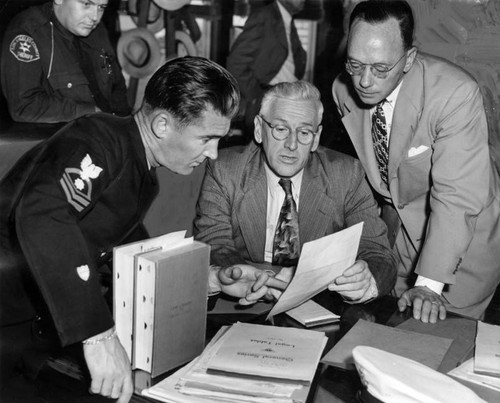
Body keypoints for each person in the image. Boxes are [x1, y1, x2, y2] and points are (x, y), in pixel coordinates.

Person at [0, 56, 283, 402]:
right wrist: (98, 335)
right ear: (162, 125)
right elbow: (43, 215)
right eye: (206, 138)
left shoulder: (140, 171)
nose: (212, 154)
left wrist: (210, 280)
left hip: (33, 330)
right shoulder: (99, 138)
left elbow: (132, 257)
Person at [332, 0, 500, 323]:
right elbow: (382, 179)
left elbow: (457, 197)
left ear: (409, 59)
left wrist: (428, 283)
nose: (364, 81)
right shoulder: (342, 89)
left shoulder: (455, 94)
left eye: (381, 69)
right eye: (355, 65)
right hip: (401, 243)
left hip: (460, 251)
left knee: (439, 349)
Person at [194, 80, 397, 306]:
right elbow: (214, 244)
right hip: (244, 302)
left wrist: (366, 280)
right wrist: (247, 275)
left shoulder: (347, 175)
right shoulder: (225, 170)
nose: (292, 144)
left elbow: (379, 253)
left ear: (316, 138)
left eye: (304, 132)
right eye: (281, 129)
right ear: (260, 130)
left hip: (321, 303)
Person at [0, 0, 131, 124]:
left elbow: (116, 86)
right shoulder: (28, 31)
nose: (95, 17)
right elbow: (24, 106)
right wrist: (90, 112)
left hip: (107, 129)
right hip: (65, 137)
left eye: (101, 7)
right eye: (86, 4)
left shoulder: (97, 29)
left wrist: (123, 124)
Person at [226, 0, 307, 140]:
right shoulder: (264, 16)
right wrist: (255, 95)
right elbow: (236, 62)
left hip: (289, 100)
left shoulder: (287, 19)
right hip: (268, 102)